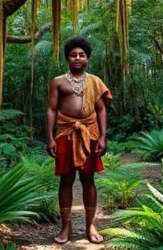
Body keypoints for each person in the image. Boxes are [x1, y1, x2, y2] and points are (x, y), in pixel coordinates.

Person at [46, 37, 110, 245]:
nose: (77, 58)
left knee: (88, 179)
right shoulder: (58, 82)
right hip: (65, 132)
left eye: (81, 55)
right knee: (65, 179)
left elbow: (101, 109)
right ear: (67, 58)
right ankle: (66, 226)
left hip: (89, 132)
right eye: (73, 54)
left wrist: (102, 135)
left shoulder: (95, 81)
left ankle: (91, 225)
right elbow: (52, 109)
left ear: (87, 58)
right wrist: (50, 137)